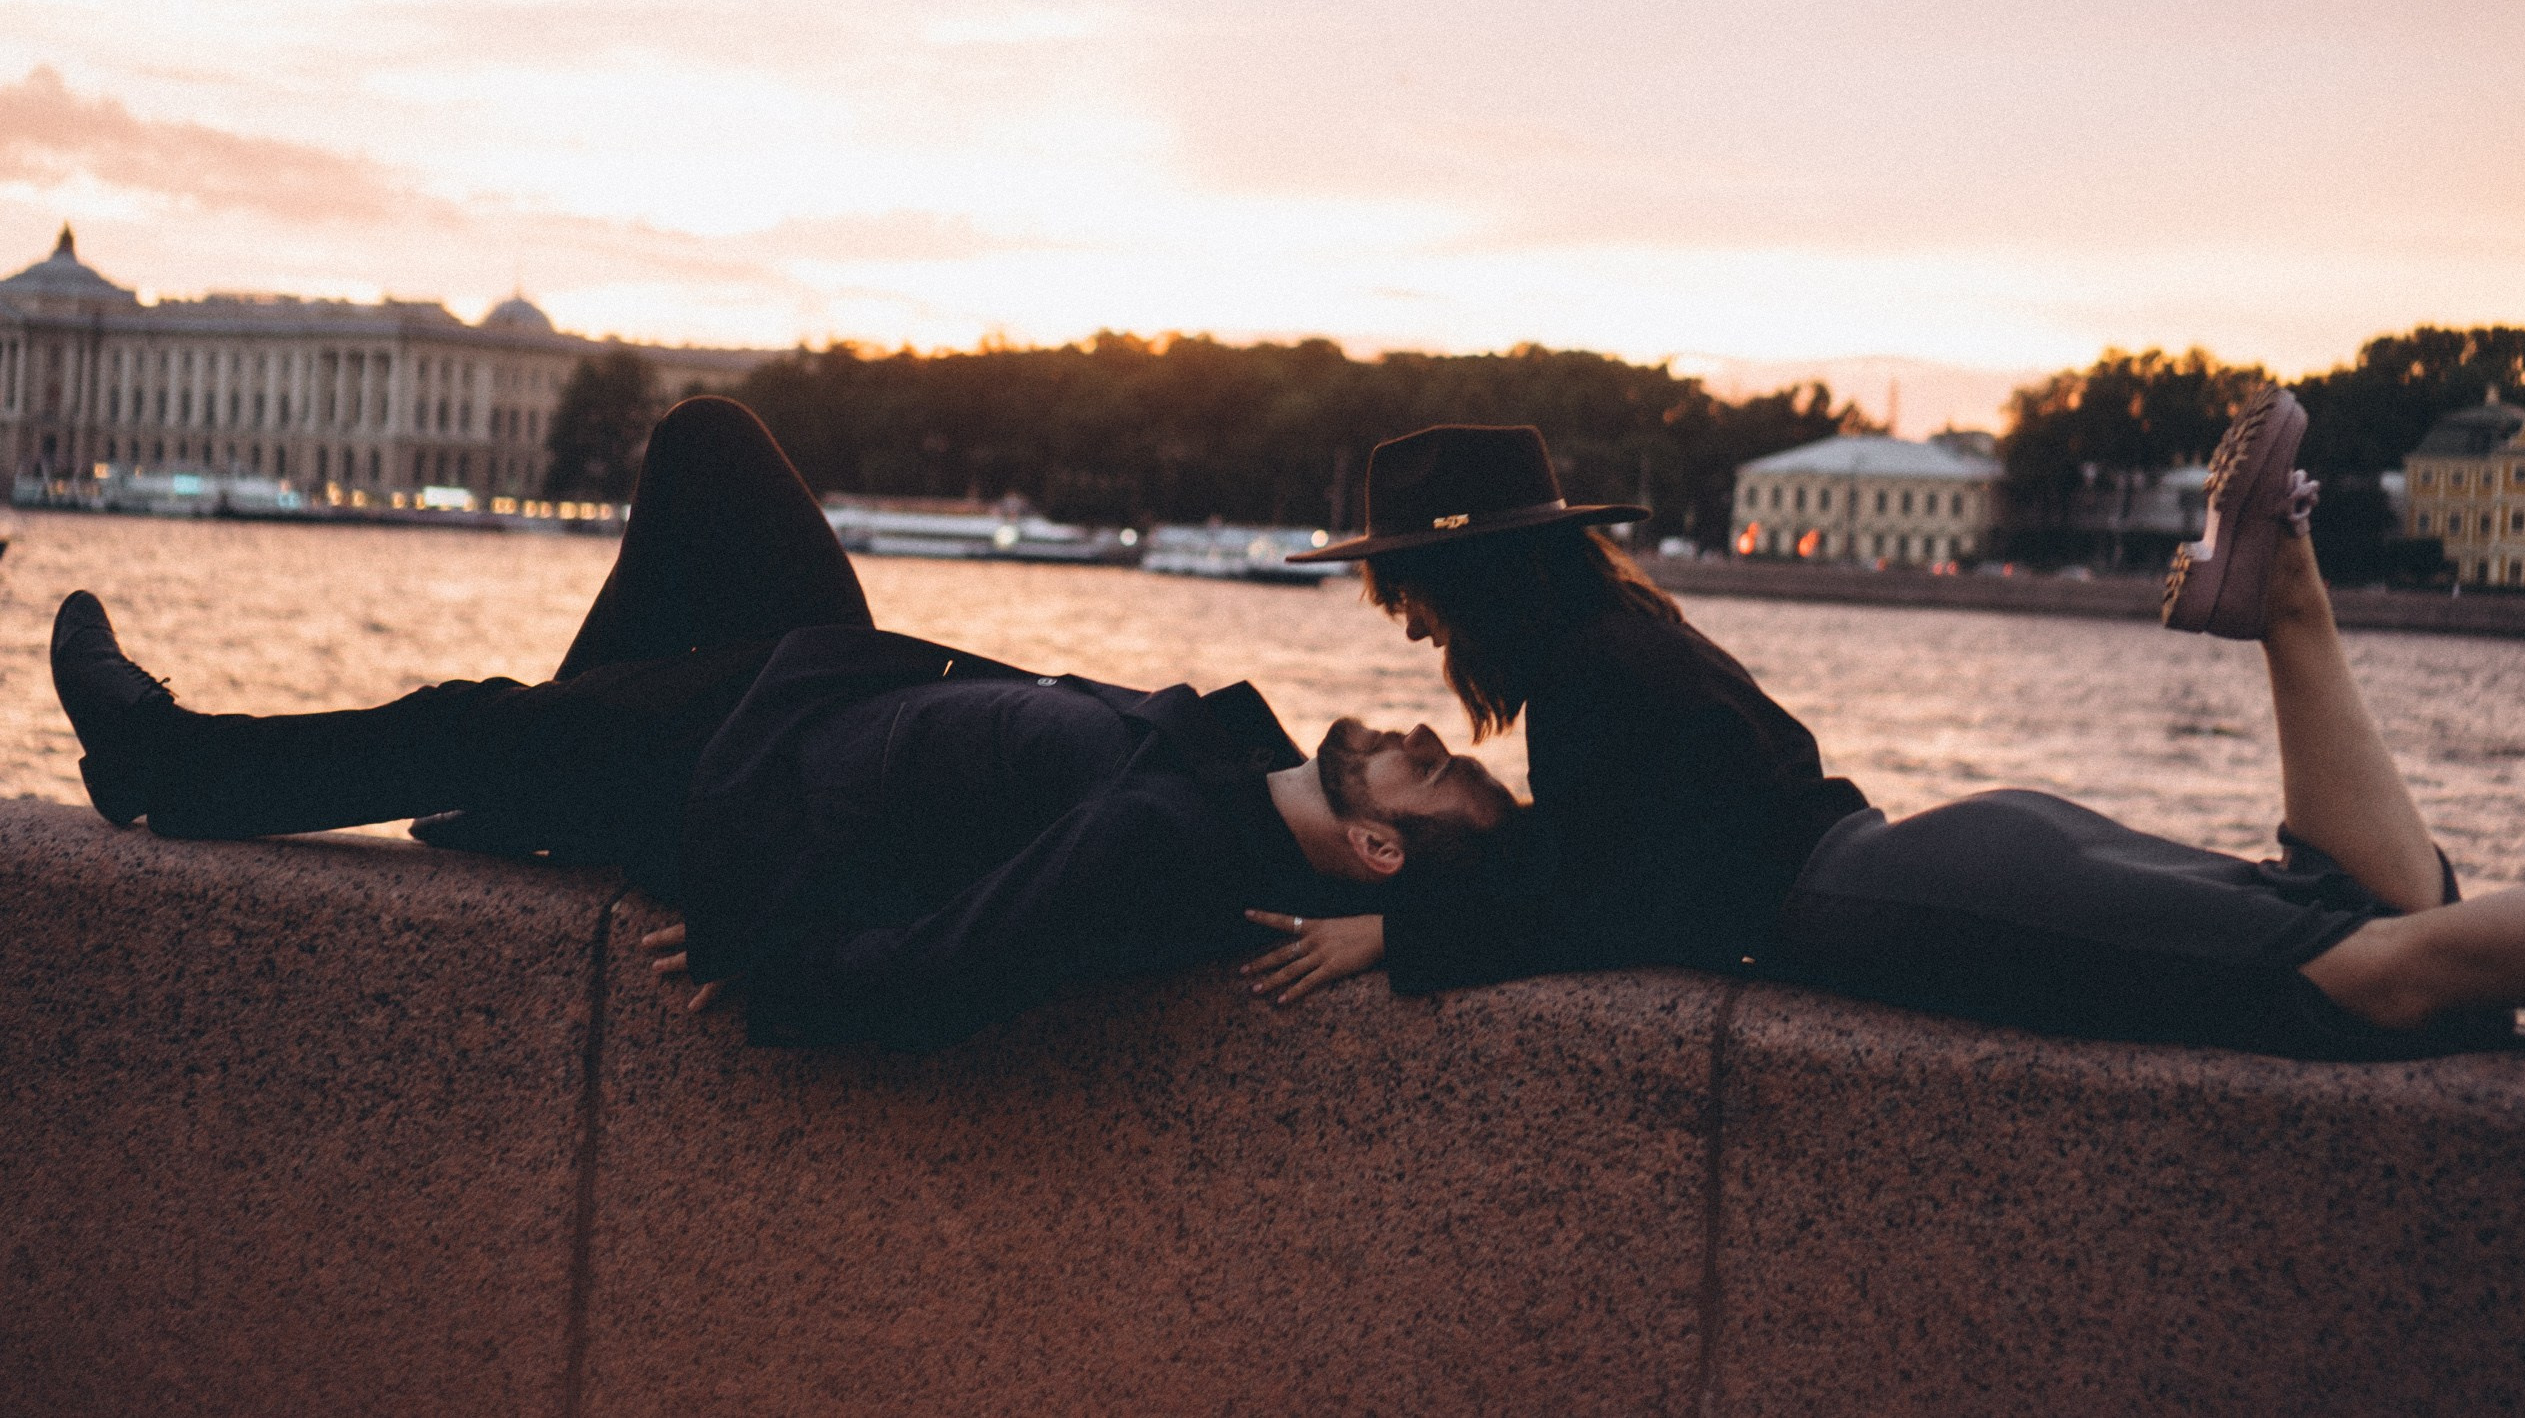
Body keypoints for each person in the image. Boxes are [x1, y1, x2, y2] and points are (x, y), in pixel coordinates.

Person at [49, 397, 1518, 1052]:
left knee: (472, 723)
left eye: (1430, 768)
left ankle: (166, 763)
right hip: (828, 686)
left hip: (747, 784)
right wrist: (1411, 928)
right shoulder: (1237, 776)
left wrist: (774, 956)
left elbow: (957, 963)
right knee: (709, 447)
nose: (1416, 731)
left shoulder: (1173, 845)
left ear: (1380, 846)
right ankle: (535, 793)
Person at [1252, 394, 2525, 1060]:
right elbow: (1604, 874)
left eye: (1409, 596)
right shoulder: (1627, 642)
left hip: (1910, 902)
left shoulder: (1587, 684)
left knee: (2385, 973)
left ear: (1467, 581)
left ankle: (2283, 597)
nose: (1413, 631)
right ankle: (2288, 605)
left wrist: (1401, 931)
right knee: (2372, 916)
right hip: (1938, 858)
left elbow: (1619, 912)